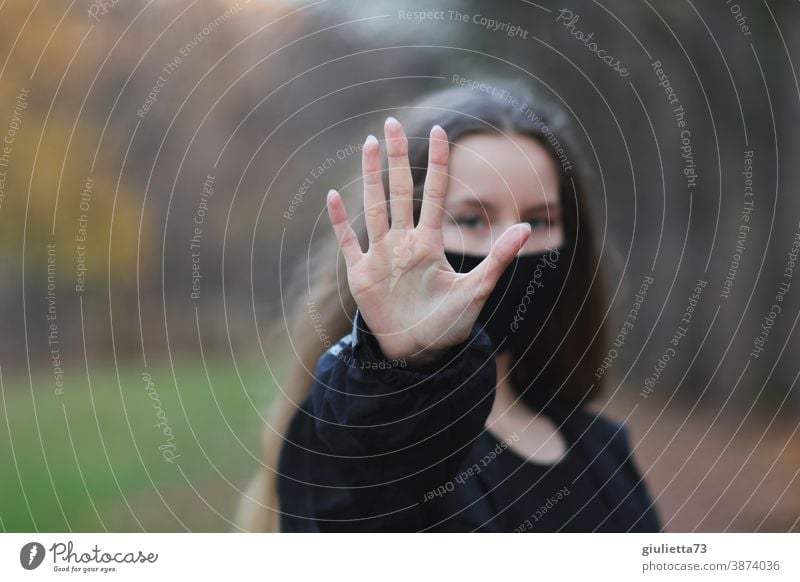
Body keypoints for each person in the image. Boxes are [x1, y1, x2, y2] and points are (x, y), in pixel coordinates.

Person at [235, 79, 662, 532]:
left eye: (539, 220)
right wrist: (398, 369)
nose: (509, 245)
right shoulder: (372, 449)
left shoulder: (604, 450)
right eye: (473, 219)